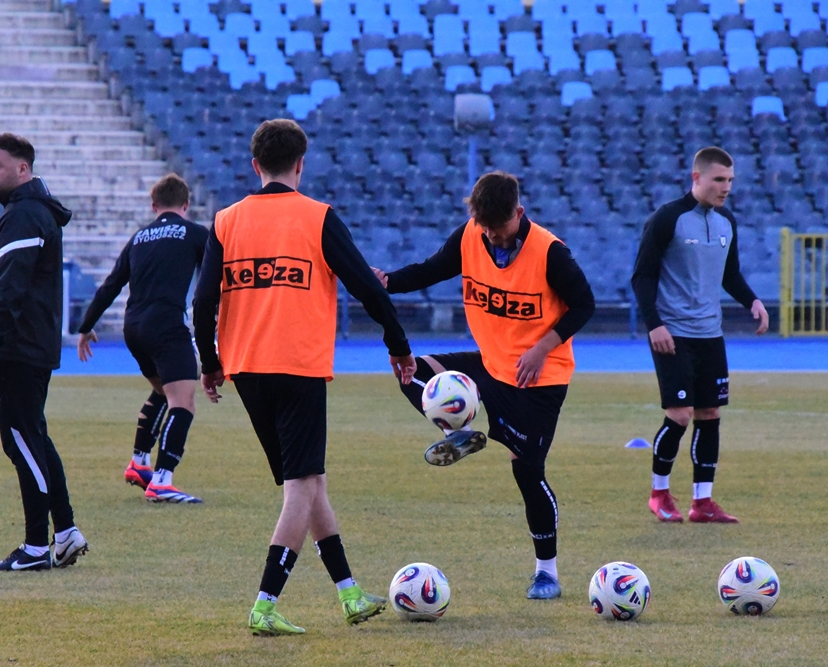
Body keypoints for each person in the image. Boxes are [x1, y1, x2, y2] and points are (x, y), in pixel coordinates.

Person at [192, 119, 416, 636]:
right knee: (300, 487)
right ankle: (265, 605)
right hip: (297, 365)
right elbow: (368, 288)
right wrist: (398, 345)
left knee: (311, 481)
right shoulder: (318, 217)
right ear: (300, 164)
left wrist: (210, 362)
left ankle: (349, 593)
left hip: (247, 368)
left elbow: (203, 301)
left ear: (256, 165)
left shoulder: (226, 220)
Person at [373, 171, 595, 601]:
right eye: (485, 226)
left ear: (520, 212)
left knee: (526, 471)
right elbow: (431, 270)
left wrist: (541, 348)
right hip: (491, 364)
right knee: (411, 371)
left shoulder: (550, 252)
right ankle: (457, 432)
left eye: (499, 226)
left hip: (538, 378)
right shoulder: (471, 235)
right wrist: (389, 282)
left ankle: (546, 573)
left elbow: (584, 304)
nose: (491, 235)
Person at [0, 133, 88, 571]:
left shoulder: (23, 216)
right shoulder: (30, 212)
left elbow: (10, 288)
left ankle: (36, 547)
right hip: (28, 345)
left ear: (22, 169)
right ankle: (66, 532)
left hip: (17, 348)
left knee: (21, 443)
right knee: (34, 439)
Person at [631, 146, 769, 525]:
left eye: (730, 180)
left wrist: (753, 301)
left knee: (709, 414)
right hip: (672, 332)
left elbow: (730, 274)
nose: (726, 187)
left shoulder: (727, 221)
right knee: (679, 414)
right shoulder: (667, 218)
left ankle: (702, 502)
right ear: (697, 177)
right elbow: (642, 276)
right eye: (719, 179)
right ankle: (659, 494)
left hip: (711, 333)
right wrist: (654, 324)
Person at [76, 173, 208, 504]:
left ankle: (139, 463)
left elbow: (111, 283)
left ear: (154, 206)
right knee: (183, 402)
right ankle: (162, 482)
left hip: (133, 327)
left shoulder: (139, 238)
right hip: (167, 326)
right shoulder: (195, 233)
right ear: (186, 205)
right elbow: (212, 280)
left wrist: (86, 326)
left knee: (163, 391)